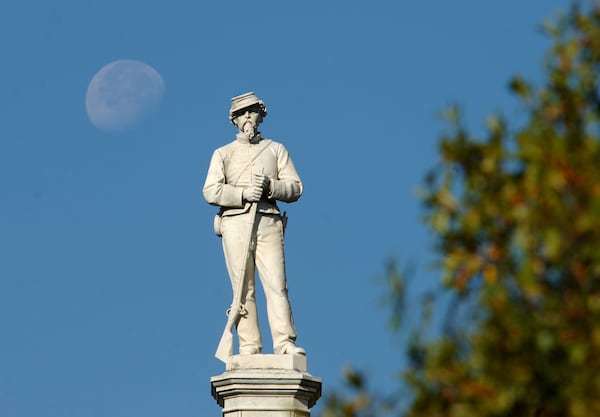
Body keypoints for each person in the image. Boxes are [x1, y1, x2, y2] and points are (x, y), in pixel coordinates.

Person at [203, 92, 305, 356]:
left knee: (277, 285)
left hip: (268, 220)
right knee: (243, 288)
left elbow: (295, 188)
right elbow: (210, 191)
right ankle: (249, 346)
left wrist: (271, 187)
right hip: (235, 223)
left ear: (261, 114)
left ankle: (285, 343)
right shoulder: (223, 153)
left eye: (251, 111)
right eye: (241, 113)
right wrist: (241, 194)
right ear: (234, 120)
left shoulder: (275, 149)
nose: (247, 117)